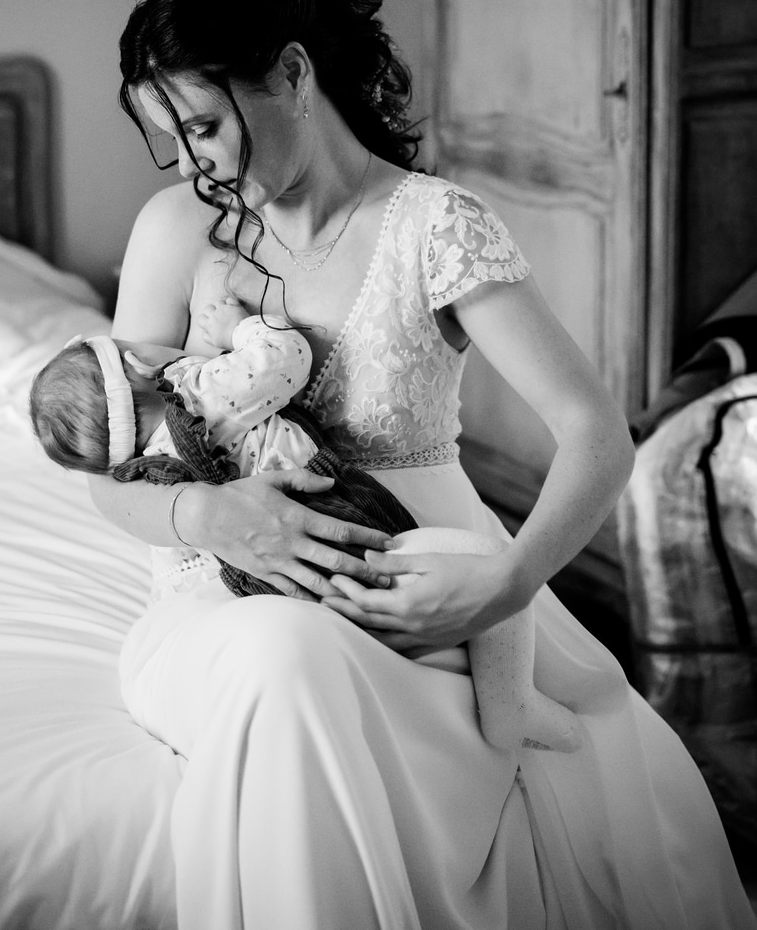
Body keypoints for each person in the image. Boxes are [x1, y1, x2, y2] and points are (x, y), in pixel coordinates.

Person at [88, 0, 757, 929]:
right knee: (286, 656)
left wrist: (508, 581)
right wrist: (212, 521)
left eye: (204, 127)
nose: (189, 167)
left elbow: (595, 433)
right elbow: (104, 467)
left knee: (506, 717)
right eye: (167, 139)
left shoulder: (435, 226)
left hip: (427, 591)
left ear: (294, 74)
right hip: (217, 599)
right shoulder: (176, 232)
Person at [30, 299, 581, 753]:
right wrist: (239, 328)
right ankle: (510, 703)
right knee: (482, 560)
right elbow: (283, 360)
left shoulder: (144, 475)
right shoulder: (199, 392)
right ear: (139, 368)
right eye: (131, 346)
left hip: (258, 592)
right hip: (332, 532)